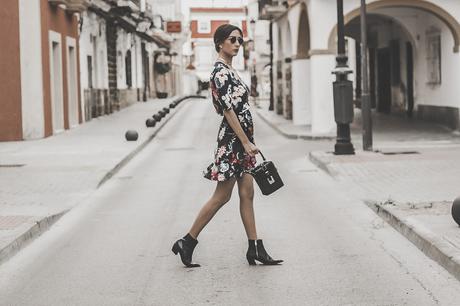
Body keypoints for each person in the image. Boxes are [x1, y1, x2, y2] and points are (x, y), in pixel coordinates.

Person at [171, 24, 283, 268]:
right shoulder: (220, 73)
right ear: (220, 43)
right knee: (221, 197)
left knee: (248, 193)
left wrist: (248, 141)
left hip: (242, 141)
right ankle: (187, 241)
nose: (236, 44)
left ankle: (255, 248)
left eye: (240, 40)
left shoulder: (230, 70)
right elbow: (227, 109)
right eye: (232, 39)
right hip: (233, 142)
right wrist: (244, 141)